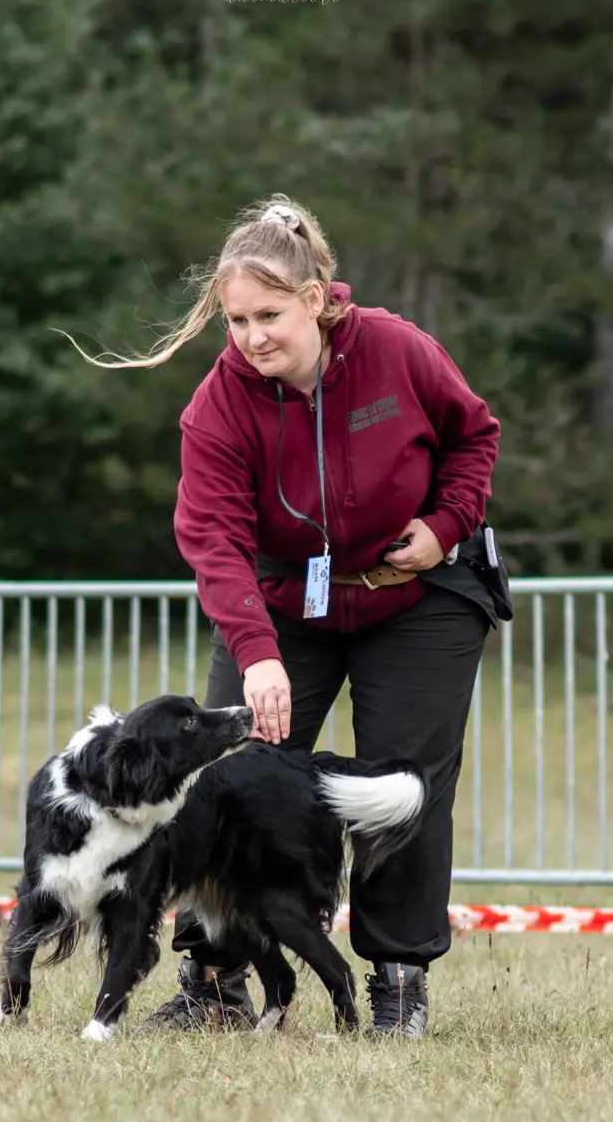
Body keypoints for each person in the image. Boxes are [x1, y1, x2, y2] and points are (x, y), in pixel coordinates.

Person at [67, 195, 500, 1038]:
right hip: (283, 600)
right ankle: (215, 980)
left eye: (269, 314)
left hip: (417, 596)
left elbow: (474, 436)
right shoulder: (219, 404)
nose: (254, 336)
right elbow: (212, 538)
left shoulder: (399, 351)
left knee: (404, 781)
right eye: (236, 320)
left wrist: (445, 525)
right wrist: (257, 653)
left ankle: (399, 981)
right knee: (232, 775)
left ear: (316, 299)